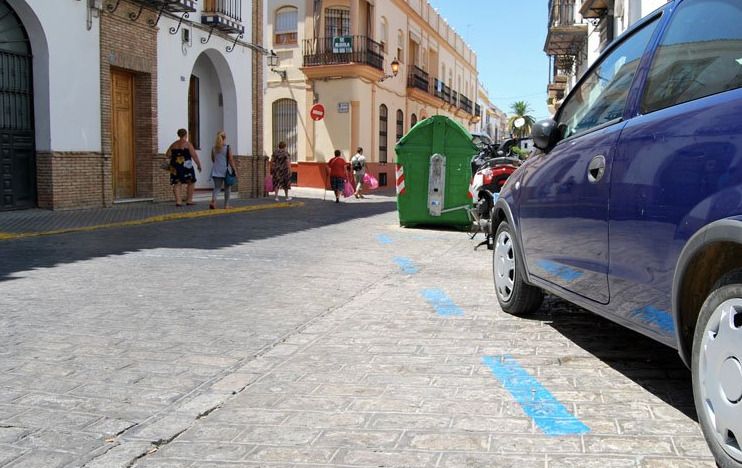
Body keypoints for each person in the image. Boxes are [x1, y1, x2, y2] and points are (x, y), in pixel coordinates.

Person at [166, 128, 201, 206]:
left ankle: (178, 202)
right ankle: (189, 201)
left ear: (178, 135)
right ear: (186, 134)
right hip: (186, 166)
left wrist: (176, 156)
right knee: (191, 182)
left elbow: (167, 154)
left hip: (175, 166)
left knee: (177, 183)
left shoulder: (173, 144)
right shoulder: (188, 144)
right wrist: (199, 165)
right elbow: (194, 156)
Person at [209, 131, 237, 209]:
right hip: (225, 170)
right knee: (227, 188)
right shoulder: (227, 147)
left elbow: (213, 159)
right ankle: (226, 205)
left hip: (216, 170)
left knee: (217, 187)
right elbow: (231, 160)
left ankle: (213, 202)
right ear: (225, 137)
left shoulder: (213, 147)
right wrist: (235, 170)